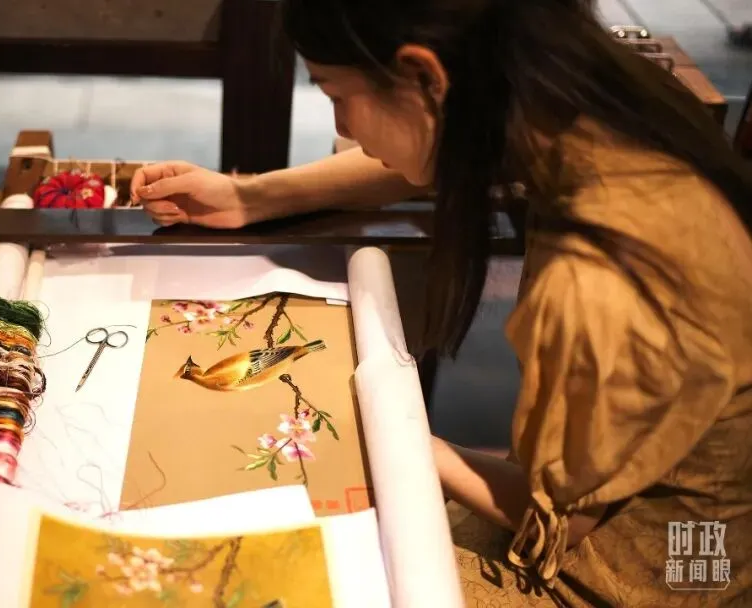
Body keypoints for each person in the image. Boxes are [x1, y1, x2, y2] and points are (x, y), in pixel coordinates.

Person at [131, 0, 752, 605]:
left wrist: (393, 432)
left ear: (425, 77)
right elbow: (436, 148)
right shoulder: (584, 101)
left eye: (337, 94)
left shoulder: (602, 279)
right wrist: (252, 197)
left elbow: (558, 523)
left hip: (639, 574)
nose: (342, 129)